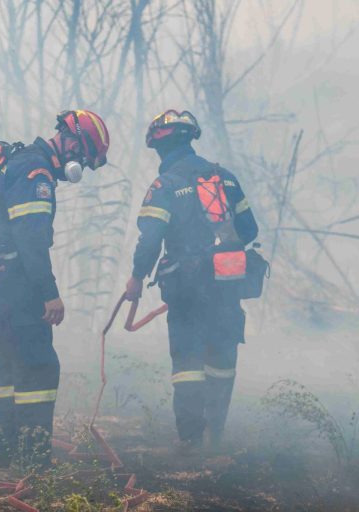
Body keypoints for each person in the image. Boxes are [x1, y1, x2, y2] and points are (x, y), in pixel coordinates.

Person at [0, 110, 110, 469]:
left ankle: (4, 453)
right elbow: (30, 240)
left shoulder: (20, 161)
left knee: (9, 363)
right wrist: (49, 293)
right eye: (83, 157)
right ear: (71, 142)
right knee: (38, 367)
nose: (78, 167)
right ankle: (33, 461)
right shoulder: (37, 174)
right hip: (17, 282)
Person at [125, 110, 258, 450]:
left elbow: (151, 239)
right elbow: (250, 230)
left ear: (158, 146)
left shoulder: (165, 184)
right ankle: (216, 437)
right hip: (227, 285)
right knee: (222, 359)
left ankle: (190, 442)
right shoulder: (224, 177)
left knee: (187, 362)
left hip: (186, 288)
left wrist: (137, 278)